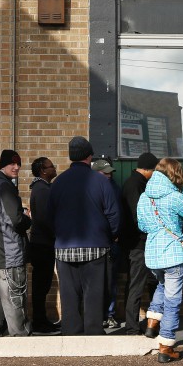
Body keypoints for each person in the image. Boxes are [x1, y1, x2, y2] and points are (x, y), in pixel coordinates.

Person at [50, 138, 120, 336]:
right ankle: (93, 332)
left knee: (69, 295)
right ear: (89, 156)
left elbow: (49, 215)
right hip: (96, 246)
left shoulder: (58, 182)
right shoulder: (100, 181)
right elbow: (113, 215)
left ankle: (71, 332)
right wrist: (110, 236)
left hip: (64, 247)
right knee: (94, 295)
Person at [137, 158, 183, 363]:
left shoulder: (144, 197)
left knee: (163, 285)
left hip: (153, 255)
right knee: (173, 300)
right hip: (173, 253)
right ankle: (166, 346)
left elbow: (143, 226)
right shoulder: (175, 196)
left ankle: (152, 322)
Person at [0, 149, 32, 337]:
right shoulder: (4, 187)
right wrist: (28, 218)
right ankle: (21, 337)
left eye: (18, 163)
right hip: (9, 253)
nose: (16, 167)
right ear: (2, 165)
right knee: (15, 299)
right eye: (12, 163)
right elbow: (16, 220)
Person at [119, 152, 158, 335]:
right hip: (138, 243)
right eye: (154, 170)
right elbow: (138, 217)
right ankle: (132, 327)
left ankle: (139, 324)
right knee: (136, 285)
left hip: (136, 242)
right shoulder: (136, 185)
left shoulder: (134, 183)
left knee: (139, 283)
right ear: (147, 169)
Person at [27, 155, 59, 334]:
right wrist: (57, 235)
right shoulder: (42, 189)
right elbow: (46, 219)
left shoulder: (42, 188)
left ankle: (42, 320)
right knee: (41, 286)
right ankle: (39, 322)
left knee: (43, 285)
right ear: (43, 171)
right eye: (50, 166)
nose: (54, 168)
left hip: (42, 243)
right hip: (43, 245)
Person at [92, 155, 123, 329]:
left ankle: (109, 314)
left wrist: (114, 234)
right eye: (105, 173)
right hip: (96, 240)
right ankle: (97, 315)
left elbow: (117, 214)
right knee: (96, 281)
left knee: (111, 280)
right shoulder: (89, 189)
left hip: (111, 241)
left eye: (110, 172)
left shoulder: (115, 188)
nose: (109, 176)